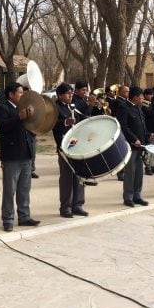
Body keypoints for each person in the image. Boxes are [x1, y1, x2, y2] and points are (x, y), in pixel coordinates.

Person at [0, 82, 40, 232]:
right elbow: (4, 127)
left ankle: (24, 216)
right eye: (20, 93)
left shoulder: (25, 108)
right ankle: (8, 219)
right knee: (10, 190)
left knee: (24, 189)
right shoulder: (2, 108)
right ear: (11, 95)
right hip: (11, 156)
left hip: (26, 154)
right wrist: (19, 117)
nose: (23, 95)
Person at [52, 83, 88, 218]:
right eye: (68, 93)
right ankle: (65, 207)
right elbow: (53, 124)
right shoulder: (55, 108)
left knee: (79, 176)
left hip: (76, 145)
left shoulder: (72, 107)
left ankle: (78, 205)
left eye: (72, 93)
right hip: (64, 147)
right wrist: (66, 122)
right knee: (66, 178)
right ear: (60, 95)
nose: (71, 96)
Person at [121, 86, 150, 206]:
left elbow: (142, 125)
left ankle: (137, 195)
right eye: (141, 96)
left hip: (141, 144)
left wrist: (148, 135)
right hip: (131, 145)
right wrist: (134, 139)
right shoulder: (124, 108)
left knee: (139, 171)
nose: (143, 98)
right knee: (130, 172)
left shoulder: (139, 108)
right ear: (135, 97)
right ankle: (128, 197)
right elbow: (124, 127)